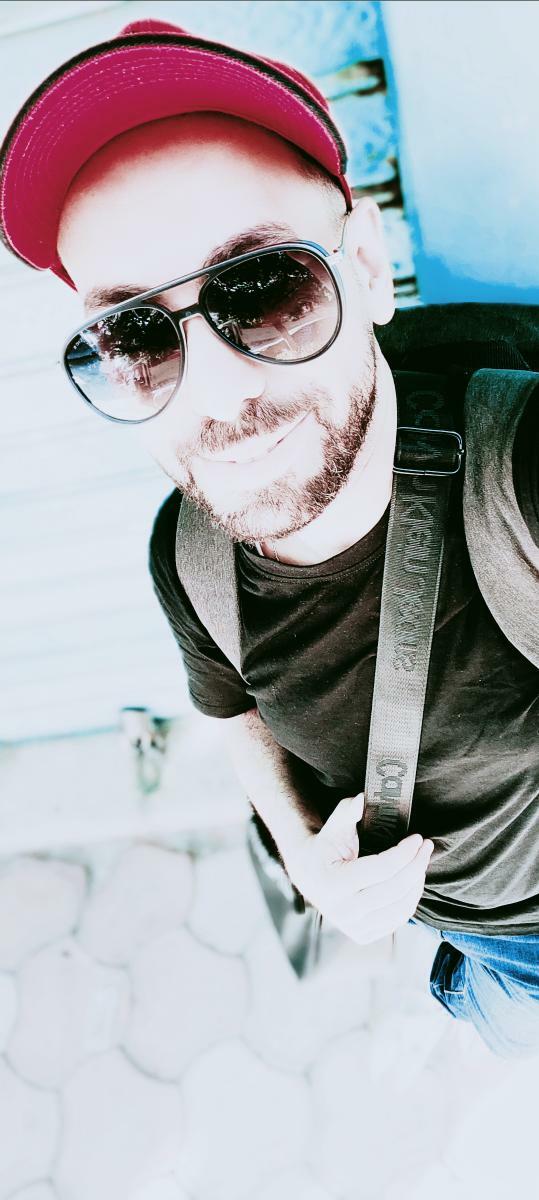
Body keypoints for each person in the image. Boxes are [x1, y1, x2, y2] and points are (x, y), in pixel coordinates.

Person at [1, 18, 538, 1058]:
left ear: (367, 267)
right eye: (135, 336)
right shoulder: (187, 553)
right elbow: (231, 706)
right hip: (469, 935)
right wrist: (300, 851)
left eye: (265, 291)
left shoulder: (517, 469)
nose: (217, 394)